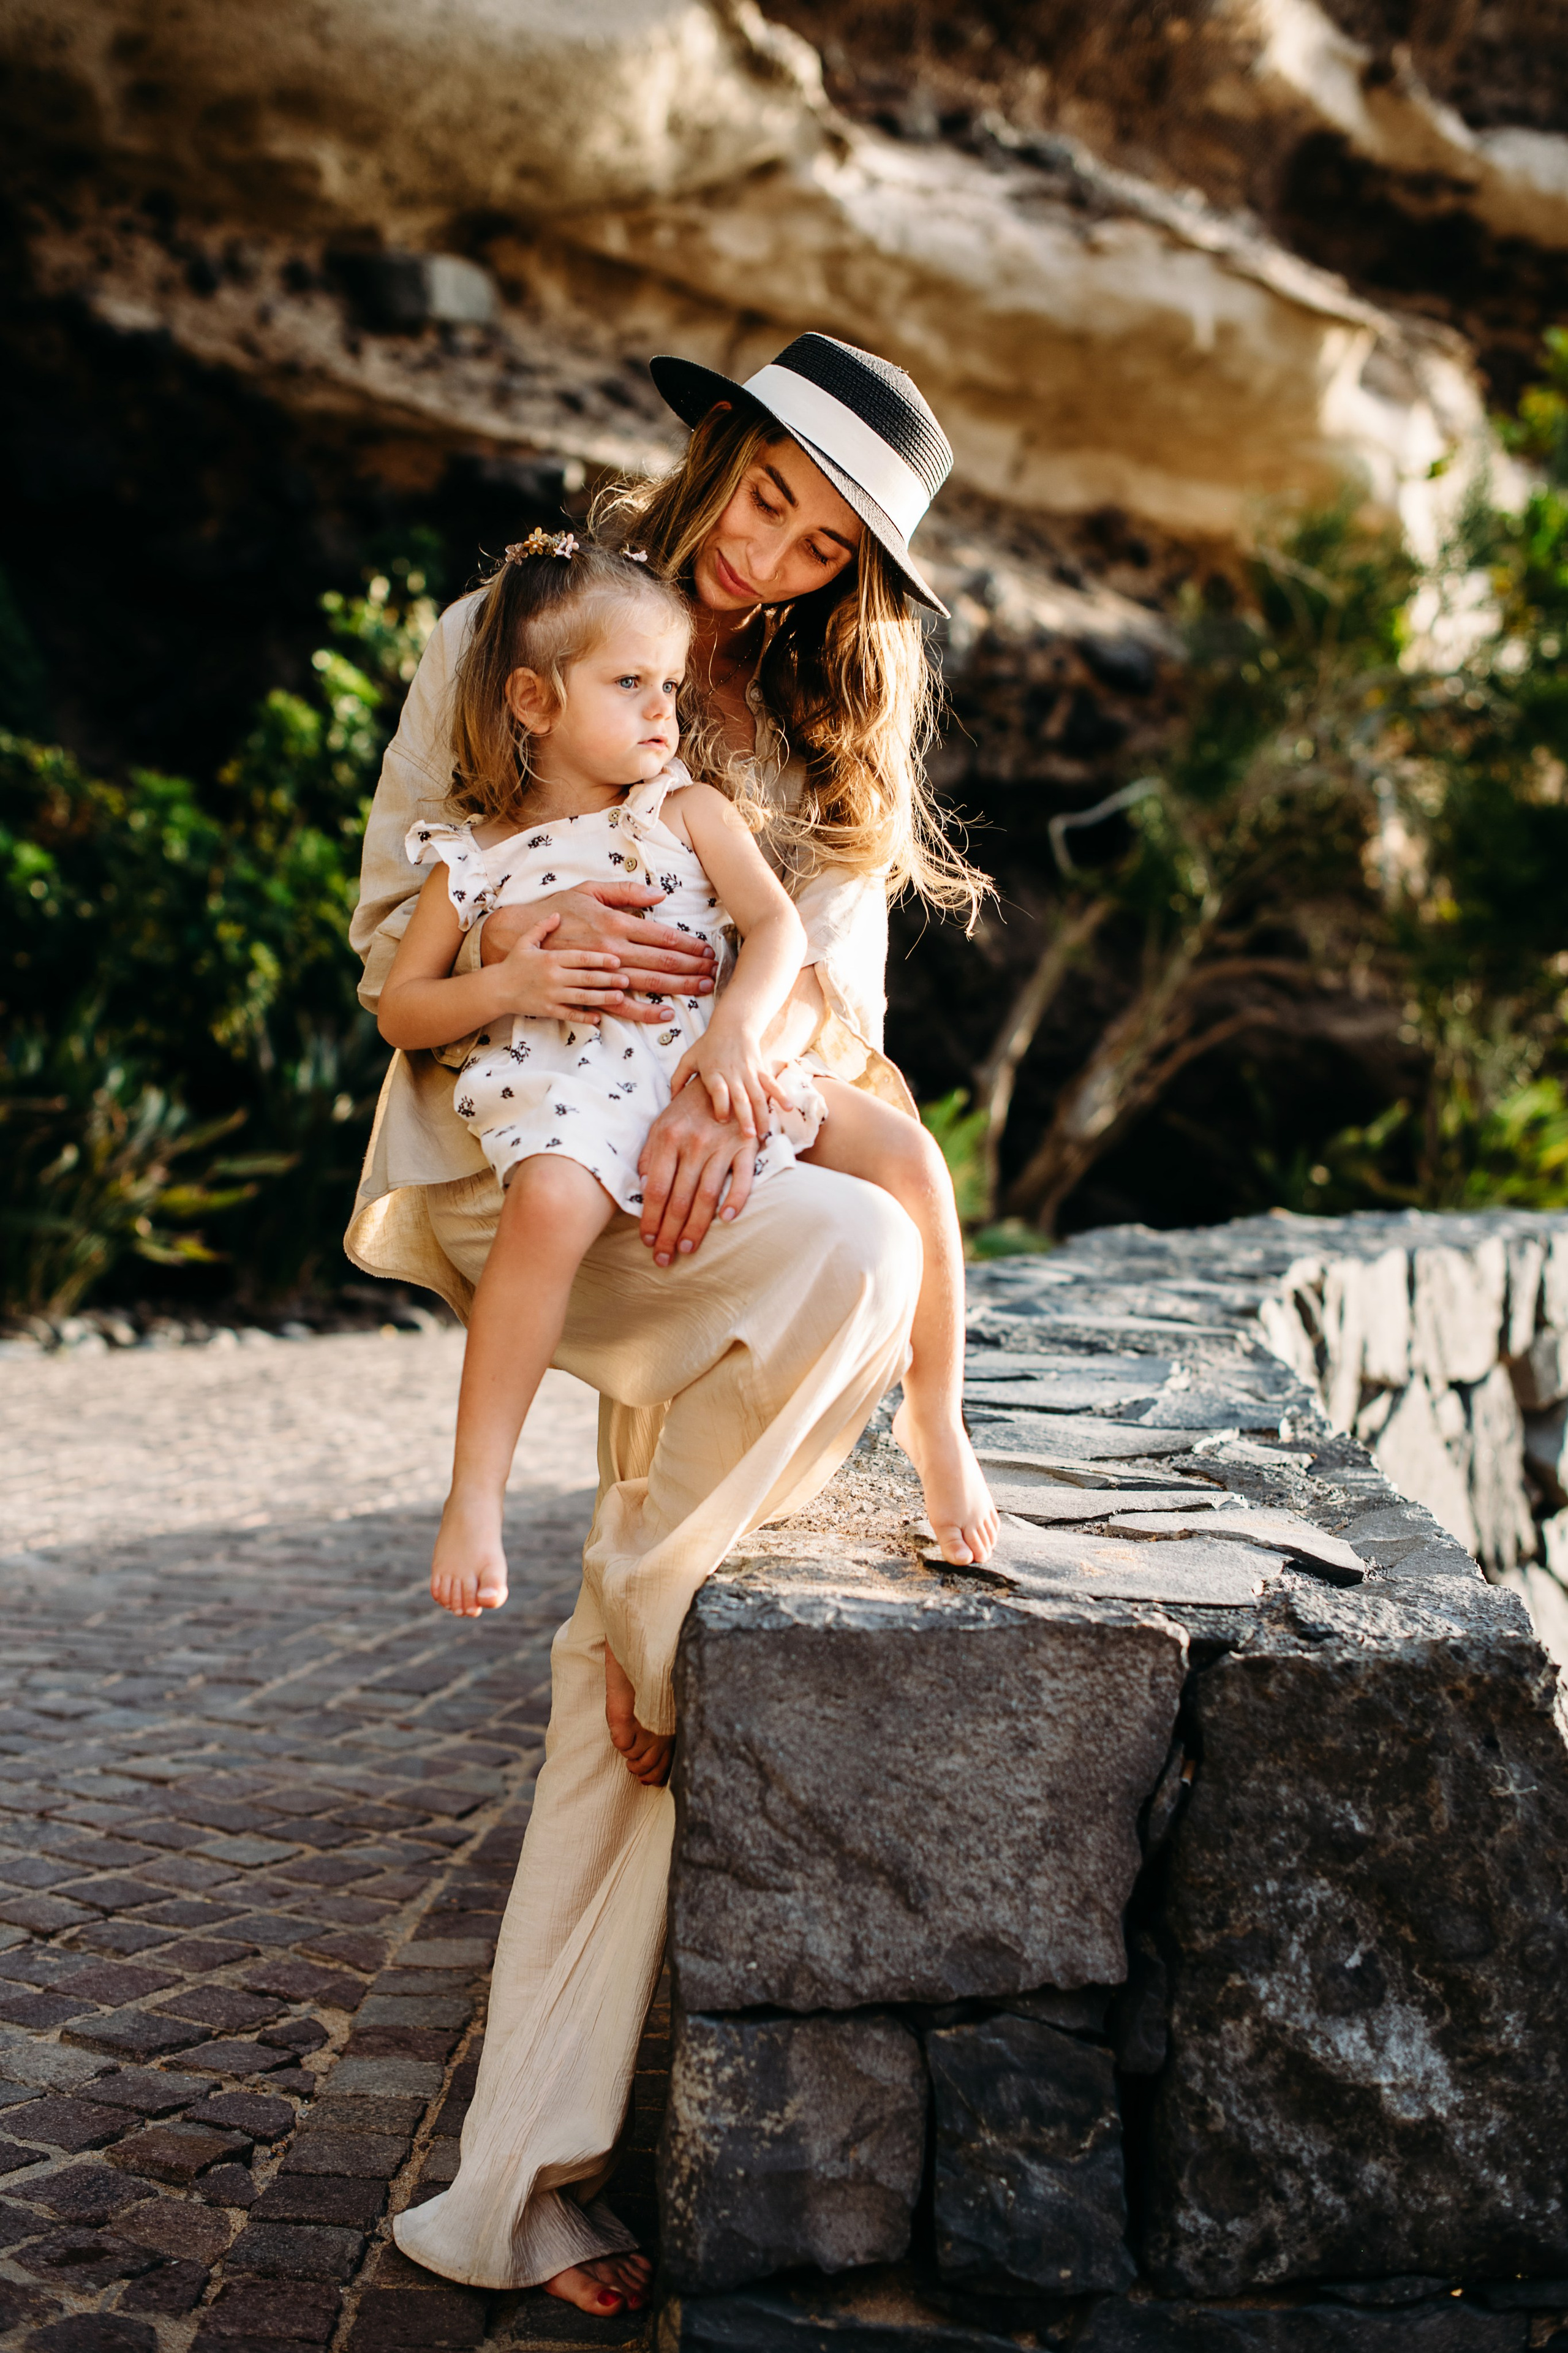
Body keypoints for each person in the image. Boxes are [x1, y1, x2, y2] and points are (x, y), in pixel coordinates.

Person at [345, 334, 991, 2308]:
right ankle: (645, 1595)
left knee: (855, 1277)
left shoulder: (819, 750)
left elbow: (836, 1006)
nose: (773, 564)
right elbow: (395, 929)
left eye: (823, 554)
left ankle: (513, 2183)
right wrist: (521, 954)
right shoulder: (522, 627)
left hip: (719, 1168)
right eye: (768, 503)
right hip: (533, 1160)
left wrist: (741, 1080)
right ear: (718, 447)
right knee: (649, 1630)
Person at [378, 530, 824, 1673]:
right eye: (630, 684)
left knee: (904, 1165)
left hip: (696, 1075)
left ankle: (941, 1432)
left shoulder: (686, 811)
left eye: (670, 686)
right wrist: (512, 978)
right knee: (552, 1208)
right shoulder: (470, 854)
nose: (663, 712)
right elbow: (403, 1010)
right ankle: (475, 1490)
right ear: (534, 700)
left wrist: (735, 1035)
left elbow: (780, 928)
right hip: (567, 1089)